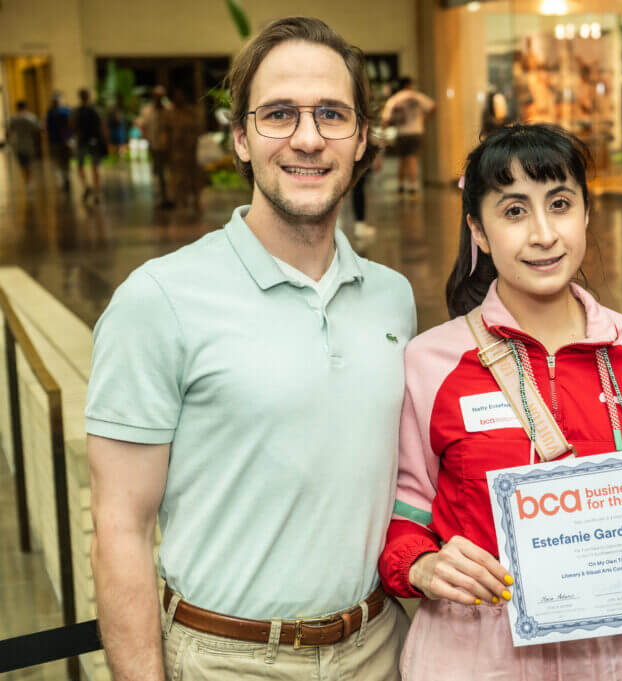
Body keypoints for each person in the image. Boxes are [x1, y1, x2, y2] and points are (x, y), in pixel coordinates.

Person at [86, 17, 415, 681]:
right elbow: (119, 525)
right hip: (227, 660)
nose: (308, 137)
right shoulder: (159, 299)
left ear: (362, 139)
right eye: (278, 114)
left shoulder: (392, 297)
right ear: (239, 137)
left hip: (381, 647)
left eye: (331, 113)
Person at [378, 123, 622, 680]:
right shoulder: (431, 361)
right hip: (470, 657)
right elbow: (403, 516)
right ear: (478, 230)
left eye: (559, 204)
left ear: (586, 215)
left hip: (613, 661)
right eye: (514, 212)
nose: (544, 233)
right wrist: (425, 566)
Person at [381, 76, 435, 194]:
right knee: (412, 158)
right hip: (416, 132)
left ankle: (401, 185)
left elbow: (386, 119)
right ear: (409, 85)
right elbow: (433, 107)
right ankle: (412, 186)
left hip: (402, 133)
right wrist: (423, 119)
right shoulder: (418, 97)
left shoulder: (394, 100)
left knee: (403, 160)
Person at [165, 88, 203, 214]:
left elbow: (198, 129)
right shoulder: (170, 114)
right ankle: (181, 201)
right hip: (176, 151)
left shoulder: (190, 112)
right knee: (178, 177)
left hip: (190, 149)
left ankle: (196, 200)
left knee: (193, 176)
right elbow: (167, 132)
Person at [137, 85, 172, 208]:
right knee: (158, 172)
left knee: (167, 173)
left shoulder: (168, 110)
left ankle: (168, 197)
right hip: (155, 146)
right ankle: (160, 197)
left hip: (167, 147)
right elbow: (143, 126)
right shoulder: (147, 110)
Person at [71, 88, 108, 204]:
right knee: (95, 167)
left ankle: (86, 185)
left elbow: (72, 124)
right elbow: (102, 125)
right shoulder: (95, 110)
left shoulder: (77, 111)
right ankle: (96, 192)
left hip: (82, 141)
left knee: (80, 166)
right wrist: (105, 140)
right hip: (95, 141)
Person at [6, 100, 42, 187]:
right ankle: (29, 180)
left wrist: (9, 142)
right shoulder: (31, 117)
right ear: (26, 107)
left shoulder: (13, 118)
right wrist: (38, 144)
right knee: (30, 162)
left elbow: (8, 132)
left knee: (22, 164)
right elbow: (38, 130)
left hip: (18, 144)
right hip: (29, 143)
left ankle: (26, 180)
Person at [45, 93, 73, 192]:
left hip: (59, 140)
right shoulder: (65, 111)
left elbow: (48, 128)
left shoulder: (52, 112)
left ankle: (64, 178)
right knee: (63, 161)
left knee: (61, 161)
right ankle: (65, 178)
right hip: (61, 140)